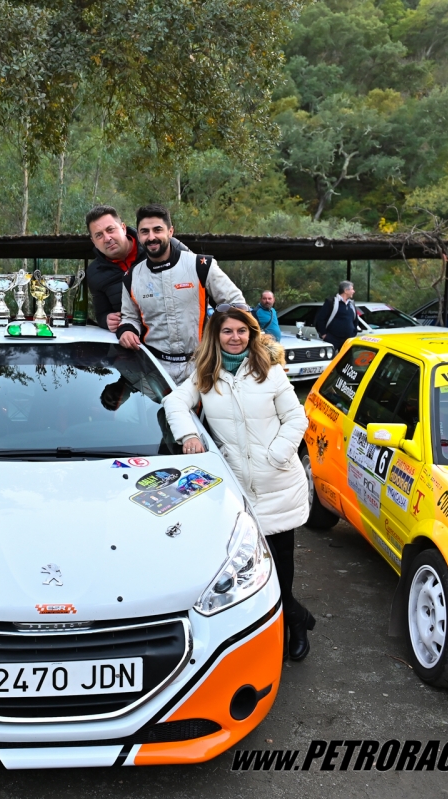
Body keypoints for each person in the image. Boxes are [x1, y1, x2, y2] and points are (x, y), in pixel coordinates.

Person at [162, 305, 313, 660]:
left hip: (277, 481)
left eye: (241, 331)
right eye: (227, 331)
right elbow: (174, 403)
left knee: (280, 561)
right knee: (245, 564)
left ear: (252, 334)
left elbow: (296, 418)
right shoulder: (205, 375)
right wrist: (188, 436)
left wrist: (275, 455)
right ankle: (293, 617)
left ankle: (290, 623)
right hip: (236, 486)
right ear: (216, 336)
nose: (235, 338)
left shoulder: (270, 372)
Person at [117, 204, 245, 383]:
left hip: (201, 365)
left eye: (158, 230)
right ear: (138, 236)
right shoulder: (131, 278)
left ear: (170, 231)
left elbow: (236, 304)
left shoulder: (201, 265)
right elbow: (130, 317)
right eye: (145, 231)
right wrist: (127, 330)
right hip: (155, 369)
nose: (151, 237)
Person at [84, 205, 182, 332]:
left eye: (110, 230)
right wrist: (107, 320)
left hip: (177, 332)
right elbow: (102, 313)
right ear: (93, 241)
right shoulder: (94, 273)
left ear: (123, 228)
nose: (107, 238)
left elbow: (199, 276)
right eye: (99, 235)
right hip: (131, 340)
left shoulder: (161, 245)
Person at [314, 281, 357, 346]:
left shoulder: (351, 304)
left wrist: (354, 333)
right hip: (333, 339)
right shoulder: (331, 302)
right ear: (346, 290)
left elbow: (355, 320)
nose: (354, 291)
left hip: (348, 340)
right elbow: (320, 319)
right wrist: (324, 335)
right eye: (352, 289)